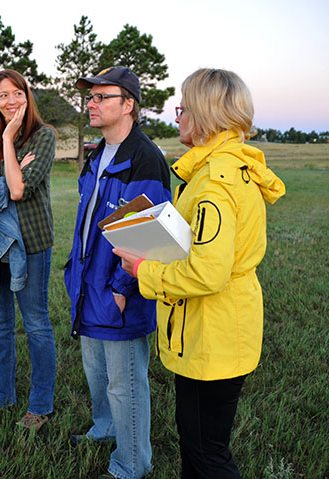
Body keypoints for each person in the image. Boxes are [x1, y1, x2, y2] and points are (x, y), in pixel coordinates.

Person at [113, 68, 286, 478]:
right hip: (215, 331)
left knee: (207, 453)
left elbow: (208, 272)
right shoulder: (224, 171)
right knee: (197, 446)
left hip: (213, 335)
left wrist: (144, 269)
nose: (178, 118)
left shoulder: (215, 185)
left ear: (206, 115)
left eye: (183, 108)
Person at [64, 66, 171, 479]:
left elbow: (147, 237)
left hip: (118, 291)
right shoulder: (97, 153)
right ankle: (105, 429)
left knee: (124, 383)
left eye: (100, 97)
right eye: (89, 97)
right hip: (87, 286)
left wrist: (123, 288)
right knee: (96, 372)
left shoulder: (144, 158)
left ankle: (131, 464)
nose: (91, 104)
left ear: (129, 105)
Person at [0, 69, 57, 432]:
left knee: (36, 324)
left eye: (17, 93)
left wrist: (7, 142)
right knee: (0, 326)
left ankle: (40, 406)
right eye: (3, 95)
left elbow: (19, 192)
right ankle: (1, 398)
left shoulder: (43, 137)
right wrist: (5, 170)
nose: (11, 100)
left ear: (27, 95)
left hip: (31, 243)